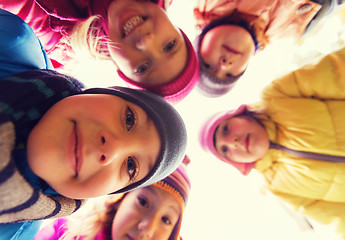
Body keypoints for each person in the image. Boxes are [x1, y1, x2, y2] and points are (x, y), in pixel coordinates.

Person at [0, 9, 187, 239]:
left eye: (131, 167)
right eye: (129, 119)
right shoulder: (12, 44)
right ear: (102, 93)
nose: (111, 149)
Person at [199, 46, 345, 238]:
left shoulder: (279, 95)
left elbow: (337, 72)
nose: (233, 141)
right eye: (225, 150)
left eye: (226, 129)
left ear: (239, 115)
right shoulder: (279, 188)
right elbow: (337, 217)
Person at [1, 0, 200, 103]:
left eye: (143, 67)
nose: (146, 42)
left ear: (120, 70)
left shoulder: (56, 39)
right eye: (169, 46)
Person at [193, 0, 344, 97]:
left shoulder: (210, 3)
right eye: (229, 75)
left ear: (199, 43)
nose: (224, 64)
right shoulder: (289, 33)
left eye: (208, 66)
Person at [33, 156, 191, 240]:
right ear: (119, 201)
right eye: (143, 202)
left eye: (166, 220)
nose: (147, 228)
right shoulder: (65, 232)